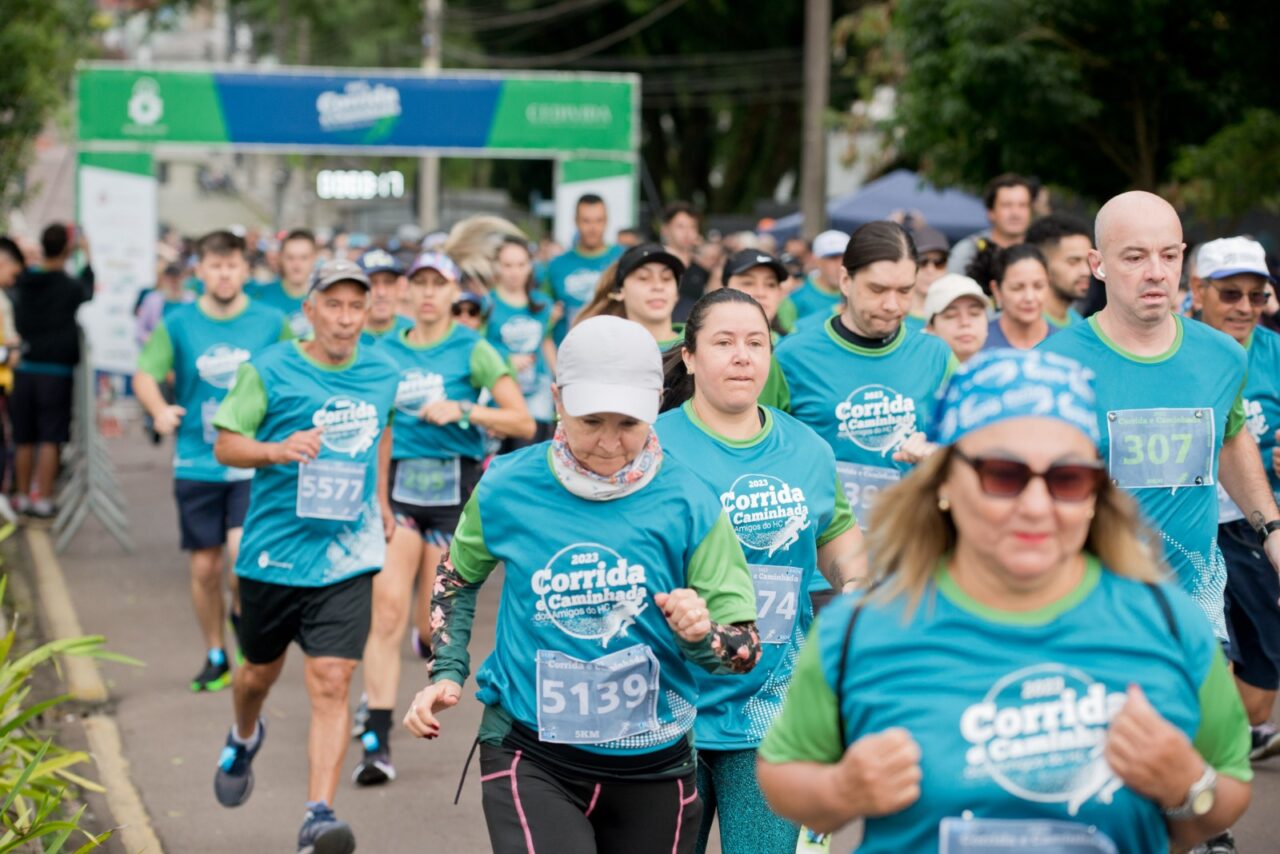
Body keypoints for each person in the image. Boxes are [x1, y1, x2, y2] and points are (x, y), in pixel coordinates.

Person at [758, 348, 1253, 853]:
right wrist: (841, 790)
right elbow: (784, 774)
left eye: (1067, 479)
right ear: (945, 481)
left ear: (1095, 495)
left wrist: (1188, 787)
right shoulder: (863, 629)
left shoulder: (1165, 621)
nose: (1036, 507)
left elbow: (1230, 786)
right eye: (1003, 475)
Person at [403, 315, 761, 854]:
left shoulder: (689, 499)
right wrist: (446, 670)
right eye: (591, 420)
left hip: (654, 764)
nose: (610, 444)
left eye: (630, 423)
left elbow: (742, 651)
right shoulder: (507, 485)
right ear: (557, 399)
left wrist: (701, 634)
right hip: (530, 753)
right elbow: (456, 577)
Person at [656, 288, 863, 854]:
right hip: (671, 707)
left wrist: (859, 587)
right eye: (723, 343)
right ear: (691, 356)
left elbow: (837, 541)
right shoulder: (652, 449)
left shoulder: (807, 449)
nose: (742, 355)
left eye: (755, 342)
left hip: (773, 705)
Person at [209, 258, 398, 854]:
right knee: (257, 674)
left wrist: (384, 499)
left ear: (367, 313)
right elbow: (225, 445)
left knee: (333, 678)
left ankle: (319, 814)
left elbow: (383, 430)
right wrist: (275, 449)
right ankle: (244, 732)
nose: (345, 320)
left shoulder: (383, 371)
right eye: (334, 306)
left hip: (348, 552)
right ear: (310, 309)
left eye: (356, 307)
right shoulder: (269, 368)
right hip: (273, 555)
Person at [1040, 191, 1280, 653]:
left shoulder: (1222, 356)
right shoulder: (1052, 365)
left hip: (1196, 604)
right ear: (1098, 264)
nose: (1155, 271)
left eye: (1168, 255)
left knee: (1213, 722)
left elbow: (1229, 440)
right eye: (1134, 256)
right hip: (1088, 608)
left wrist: (1271, 529)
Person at [353, 250, 533, 786]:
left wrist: (465, 410)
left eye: (439, 283)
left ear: (454, 292)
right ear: (408, 293)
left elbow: (521, 419)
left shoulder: (473, 349)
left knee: (429, 626)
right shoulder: (382, 350)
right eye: (420, 283)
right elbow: (375, 427)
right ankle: (376, 740)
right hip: (399, 492)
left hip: (454, 497)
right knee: (385, 613)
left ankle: (423, 682)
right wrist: (376, 502)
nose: (428, 293)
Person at [134, 229, 291, 692]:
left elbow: (292, 368)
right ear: (200, 271)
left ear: (246, 269)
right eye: (215, 266)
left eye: (232, 265)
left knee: (240, 552)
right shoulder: (178, 322)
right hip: (196, 461)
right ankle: (215, 651)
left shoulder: (270, 321)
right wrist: (159, 409)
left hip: (250, 460)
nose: (224, 274)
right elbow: (145, 373)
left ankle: (243, 621)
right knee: (205, 567)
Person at [774, 221, 955, 606]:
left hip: (912, 564)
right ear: (845, 280)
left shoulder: (936, 355)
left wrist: (941, 456)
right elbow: (763, 453)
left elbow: (971, 454)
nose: (892, 304)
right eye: (877, 289)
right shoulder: (792, 357)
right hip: (822, 575)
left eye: (905, 291)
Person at [1190, 236, 1280, 763]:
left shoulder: (1274, 353)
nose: (1245, 307)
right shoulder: (1173, 346)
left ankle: (1232, 740)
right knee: (1209, 663)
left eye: (1257, 295)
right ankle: (1203, 799)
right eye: (1231, 294)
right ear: (1198, 290)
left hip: (1254, 528)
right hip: (1189, 527)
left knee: (1259, 691)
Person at [11, 223, 94, 518]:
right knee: (50, 436)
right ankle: (43, 498)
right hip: (56, 371)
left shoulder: (22, 281)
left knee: (23, 436)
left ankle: (20, 496)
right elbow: (87, 290)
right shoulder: (69, 286)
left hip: (23, 366)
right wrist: (88, 256)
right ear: (67, 249)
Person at [484, 237, 557, 445]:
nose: (514, 272)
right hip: (500, 393)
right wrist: (507, 359)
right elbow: (477, 346)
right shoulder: (486, 304)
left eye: (520, 265)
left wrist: (560, 377)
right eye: (507, 265)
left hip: (537, 391)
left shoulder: (542, 302)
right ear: (497, 267)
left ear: (530, 266)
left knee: (533, 451)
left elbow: (547, 341)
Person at [543, 194, 623, 344]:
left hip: (613, 349)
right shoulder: (556, 265)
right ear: (576, 222)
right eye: (586, 221)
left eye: (599, 220)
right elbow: (542, 313)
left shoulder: (623, 258)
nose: (593, 228)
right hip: (568, 353)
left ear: (606, 221)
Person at [577, 243, 686, 351]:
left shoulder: (697, 343)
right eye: (643, 278)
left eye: (666, 278)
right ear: (618, 291)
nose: (658, 286)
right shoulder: (602, 350)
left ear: (676, 293)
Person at [946, 174, 1035, 275]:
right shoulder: (968, 252)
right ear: (990, 212)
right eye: (1007, 205)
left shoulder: (1041, 247)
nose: (1015, 213)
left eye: (1022, 205)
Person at [972, 244, 1056, 350]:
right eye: (1017, 288)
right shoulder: (976, 344)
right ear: (996, 290)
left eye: (1038, 286)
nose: (1029, 298)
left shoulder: (1066, 343)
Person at [247, 228, 317, 338]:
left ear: (314, 259)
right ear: (280, 258)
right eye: (290, 258)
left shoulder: (326, 299)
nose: (297, 265)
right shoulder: (261, 296)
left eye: (304, 258)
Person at [1027, 213, 1093, 328]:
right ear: (1041, 265)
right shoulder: (1023, 324)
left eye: (1088, 262)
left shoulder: (1080, 325)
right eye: (1073, 261)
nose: (1086, 271)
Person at [923, 274, 991, 363]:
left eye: (974, 313)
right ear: (930, 328)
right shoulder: (917, 373)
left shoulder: (1005, 370)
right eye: (951, 315)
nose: (965, 322)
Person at [662, 201, 709, 318]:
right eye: (680, 226)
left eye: (692, 227)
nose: (687, 233)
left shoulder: (702, 270)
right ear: (665, 229)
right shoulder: (656, 266)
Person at [788, 230, 848, 322]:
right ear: (816, 260)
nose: (839, 265)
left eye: (844, 258)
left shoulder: (859, 294)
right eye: (832, 259)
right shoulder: (796, 298)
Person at [357, 248, 412, 344]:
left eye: (388, 282)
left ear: (399, 287)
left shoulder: (413, 332)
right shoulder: (345, 335)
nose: (381, 292)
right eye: (372, 283)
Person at [136, 262, 195, 348]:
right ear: (164, 280)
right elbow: (140, 331)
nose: (174, 283)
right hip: (158, 350)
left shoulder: (191, 300)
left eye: (177, 279)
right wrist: (153, 341)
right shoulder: (152, 299)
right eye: (171, 279)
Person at [906, 225, 950, 330]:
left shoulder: (958, 317)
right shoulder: (892, 315)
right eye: (922, 261)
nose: (930, 270)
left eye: (939, 262)